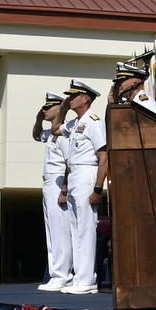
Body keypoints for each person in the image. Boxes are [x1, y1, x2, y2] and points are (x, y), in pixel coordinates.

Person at [50, 79, 107, 295]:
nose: (69, 99)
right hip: (73, 175)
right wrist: (62, 110)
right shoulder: (73, 124)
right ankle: (79, 277)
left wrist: (98, 189)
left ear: (85, 99)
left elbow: (103, 157)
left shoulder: (93, 121)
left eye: (74, 96)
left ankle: (87, 279)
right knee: (75, 229)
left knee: (85, 228)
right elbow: (55, 128)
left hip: (86, 173)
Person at [33, 91, 72, 291]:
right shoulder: (49, 133)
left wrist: (64, 189)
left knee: (61, 230)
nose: (45, 110)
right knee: (51, 231)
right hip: (48, 182)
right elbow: (35, 135)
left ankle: (64, 275)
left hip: (58, 183)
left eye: (49, 107)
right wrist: (38, 119)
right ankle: (56, 273)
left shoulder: (65, 132)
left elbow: (68, 163)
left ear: (59, 108)